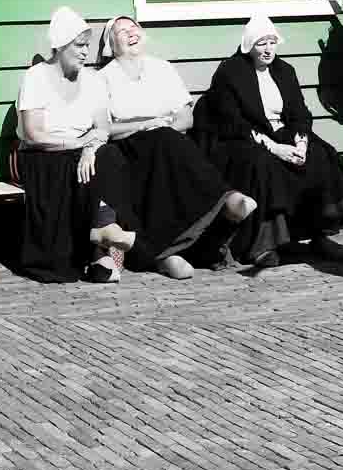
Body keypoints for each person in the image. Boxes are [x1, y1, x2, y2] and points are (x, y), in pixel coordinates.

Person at [193, 14, 343, 268]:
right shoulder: (231, 72)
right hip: (239, 139)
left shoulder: (284, 71)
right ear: (249, 46)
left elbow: (299, 113)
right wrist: (276, 148)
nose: (268, 49)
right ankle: (263, 243)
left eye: (272, 42)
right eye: (261, 43)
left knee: (319, 156)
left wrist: (301, 142)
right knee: (264, 166)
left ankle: (320, 234)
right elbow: (232, 122)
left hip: (281, 132)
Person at [99, 16, 257, 279]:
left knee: (173, 146)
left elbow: (187, 118)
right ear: (111, 45)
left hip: (170, 142)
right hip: (130, 148)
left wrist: (165, 128)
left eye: (133, 27)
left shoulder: (162, 68)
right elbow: (105, 128)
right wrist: (146, 125)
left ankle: (220, 207)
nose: (130, 33)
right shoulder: (104, 78)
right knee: (164, 146)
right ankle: (171, 249)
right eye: (121, 31)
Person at [16, 7, 152, 283]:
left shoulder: (92, 79)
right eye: (79, 46)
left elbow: (102, 126)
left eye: (87, 46)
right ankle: (100, 243)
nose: (85, 52)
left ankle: (103, 231)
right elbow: (33, 134)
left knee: (110, 155)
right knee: (74, 163)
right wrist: (76, 144)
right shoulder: (36, 77)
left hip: (82, 150)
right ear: (61, 45)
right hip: (44, 154)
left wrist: (89, 148)